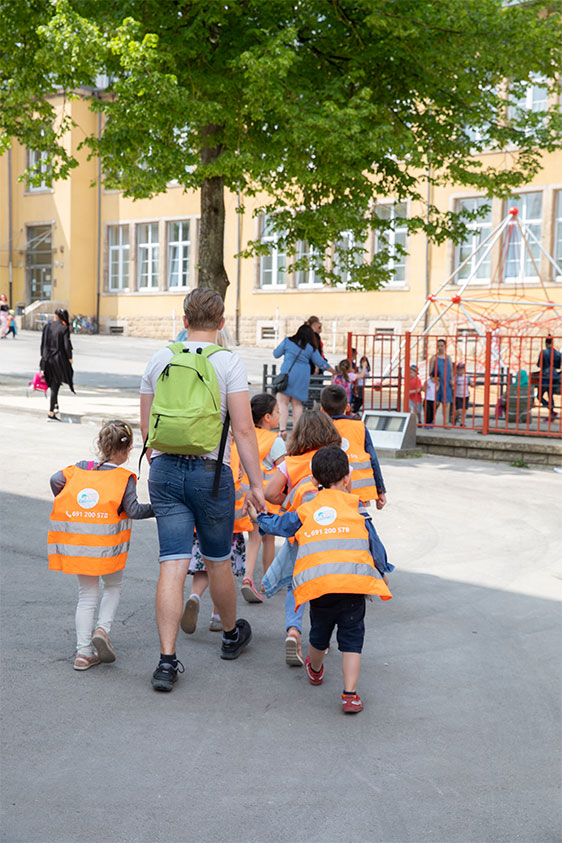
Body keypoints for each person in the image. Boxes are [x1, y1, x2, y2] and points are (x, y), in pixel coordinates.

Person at [140, 288, 265, 692]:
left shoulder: (160, 358)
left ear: (184, 320)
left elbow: (147, 426)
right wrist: (257, 485)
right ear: (222, 323)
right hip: (210, 475)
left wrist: (160, 462)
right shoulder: (228, 361)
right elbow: (243, 429)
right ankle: (230, 635)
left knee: (172, 564)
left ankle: (166, 661)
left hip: (164, 470)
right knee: (217, 560)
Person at [251, 445, 393, 714]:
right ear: (347, 478)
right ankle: (350, 695)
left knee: (319, 635)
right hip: (353, 586)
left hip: (320, 586)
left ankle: (315, 669)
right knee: (352, 642)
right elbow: (374, 543)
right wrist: (383, 570)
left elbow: (281, 525)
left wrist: (259, 518)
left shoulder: (308, 508)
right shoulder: (357, 507)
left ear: (314, 479)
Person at [48, 420, 153, 670]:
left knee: (86, 597)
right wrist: (159, 508)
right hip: (108, 549)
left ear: (99, 443)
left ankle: (83, 653)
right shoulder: (124, 478)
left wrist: (66, 498)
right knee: (113, 586)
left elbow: (55, 479)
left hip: (80, 546)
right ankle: (102, 630)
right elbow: (134, 510)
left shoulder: (78, 469)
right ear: (127, 450)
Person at [263, 410, 341, 666]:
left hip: (300, 532)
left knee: (295, 584)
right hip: (330, 534)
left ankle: (293, 631)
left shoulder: (291, 463)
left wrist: (288, 503)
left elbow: (270, 493)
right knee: (323, 584)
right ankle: (321, 639)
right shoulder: (335, 460)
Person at [238, 393, 287, 603]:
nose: (280, 414)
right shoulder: (275, 441)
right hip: (266, 498)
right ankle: (265, 580)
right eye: (277, 411)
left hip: (244, 494)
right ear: (267, 417)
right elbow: (284, 469)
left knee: (253, 537)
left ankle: (249, 576)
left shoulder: (244, 435)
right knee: (267, 538)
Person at [320, 384, 387, 509]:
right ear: (347, 407)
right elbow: (373, 459)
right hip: (361, 491)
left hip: (333, 491)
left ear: (322, 410)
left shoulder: (323, 429)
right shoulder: (360, 427)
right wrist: (380, 490)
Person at [273, 323, 334, 437]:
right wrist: (333, 371)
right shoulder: (310, 348)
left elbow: (276, 354)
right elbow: (320, 362)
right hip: (302, 377)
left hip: (288, 374)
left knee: (282, 403)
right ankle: (296, 432)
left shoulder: (287, 341)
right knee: (297, 405)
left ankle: (282, 430)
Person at [40, 308, 75, 421]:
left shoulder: (48, 326)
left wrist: (42, 356)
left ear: (55, 316)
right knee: (55, 385)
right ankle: (51, 413)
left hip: (47, 358)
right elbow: (66, 345)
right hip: (58, 360)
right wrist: (70, 358)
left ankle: (55, 405)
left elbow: (43, 343)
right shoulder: (64, 328)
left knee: (52, 383)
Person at [428, 338, 454, 427]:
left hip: (446, 383)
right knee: (435, 403)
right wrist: (434, 380)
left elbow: (451, 370)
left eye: (441, 346)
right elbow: (430, 372)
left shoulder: (448, 358)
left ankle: (445, 423)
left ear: (445, 346)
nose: (440, 348)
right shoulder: (434, 358)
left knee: (446, 403)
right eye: (438, 346)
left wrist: (452, 379)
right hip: (437, 383)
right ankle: (431, 420)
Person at [536, 337, 561, 421]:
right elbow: (558, 366)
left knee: (539, 396)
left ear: (546, 343)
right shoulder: (558, 353)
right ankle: (552, 413)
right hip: (554, 376)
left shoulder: (543, 352)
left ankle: (551, 410)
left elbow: (539, 364)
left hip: (545, 376)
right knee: (550, 395)